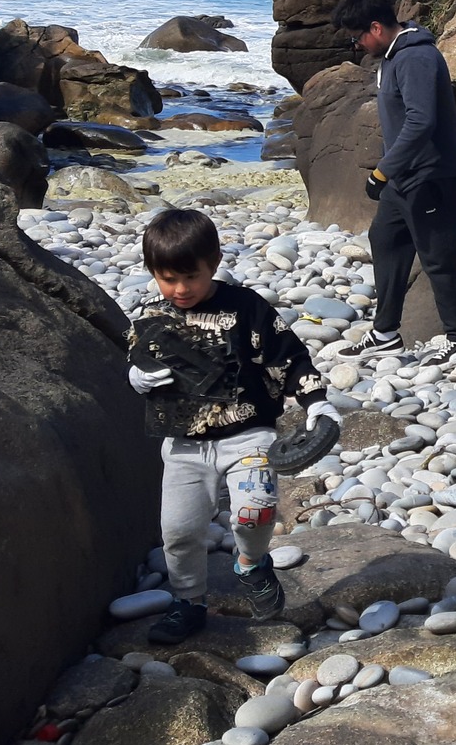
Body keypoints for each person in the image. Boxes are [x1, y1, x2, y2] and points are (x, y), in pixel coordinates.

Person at [128, 208, 340, 646]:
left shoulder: (247, 308)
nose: (181, 289)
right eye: (168, 279)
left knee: (255, 509)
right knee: (180, 530)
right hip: (184, 442)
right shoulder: (151, 316)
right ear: (153, 273)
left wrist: (317, 403)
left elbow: (290, 357)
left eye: (191, 277)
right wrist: (136, 376)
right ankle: (188, 601)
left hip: (249, 433)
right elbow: (140, 358)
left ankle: (251, 562)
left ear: (215, 263)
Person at [330, 0, 456, 356]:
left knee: (437, 255)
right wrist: (391, 171)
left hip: (432, 174)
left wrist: (382, 170)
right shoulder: (394, 56)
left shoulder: (416, 58)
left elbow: (420, 121)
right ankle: (385, 334)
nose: (358, 45)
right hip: (404, 177)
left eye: (357, 37)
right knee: (386, 239)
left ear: (375, 28)